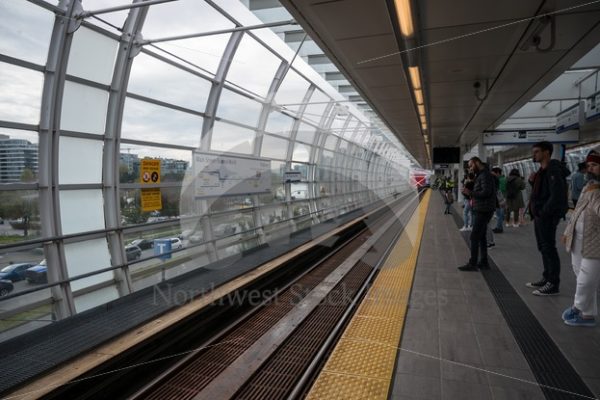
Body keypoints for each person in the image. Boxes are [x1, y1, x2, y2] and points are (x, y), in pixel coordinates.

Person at [561, 149, 600, 327]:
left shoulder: (593, 190)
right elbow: (577, 211)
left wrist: (594, 193)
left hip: (595, 243)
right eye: (589, 165)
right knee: (580, 275)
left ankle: (578, 307)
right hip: (578, 239)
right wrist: (568, 231)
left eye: (595, 165)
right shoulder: (588, 186)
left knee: (587, 279)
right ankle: (588, 315)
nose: (590, 169)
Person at [526, 141, 570, 296]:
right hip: (540, 215)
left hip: (547, 216)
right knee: (543, 247)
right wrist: (532, 182)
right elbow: (542, 192)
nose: (534, 154)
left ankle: (553, 283)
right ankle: (547, 278)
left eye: (537, 151)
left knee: (548, 247)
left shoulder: (553, 170)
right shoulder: (542, 171)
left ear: (546, 152)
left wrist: (543, 212)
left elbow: (556, 195)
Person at [458, 157, 496, 271]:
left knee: (474, 237)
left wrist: (470, 192)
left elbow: (486, 192)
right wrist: (469, 191)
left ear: (477, 163)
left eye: (471, 165)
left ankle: (473, 263)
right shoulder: (481, 175)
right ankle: (484, 262)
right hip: (482, 208)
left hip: (483, 210)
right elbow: (480, 191)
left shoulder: (485, 175)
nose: (470, 168)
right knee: (482, 237)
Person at [491, 167, 506, 233]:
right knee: (499, 213)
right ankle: (499, 227)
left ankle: (499, 228)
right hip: (500, 197)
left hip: (498, 198)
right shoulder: (498, 179)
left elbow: (499, 189)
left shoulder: (498, 179)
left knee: (499, 214)